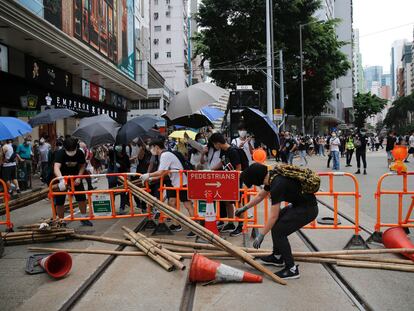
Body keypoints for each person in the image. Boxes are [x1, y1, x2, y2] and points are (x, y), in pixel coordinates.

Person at [237, 163, 318, 280]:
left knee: (279, 231)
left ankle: (291, 269)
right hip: (300, 205)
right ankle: (277, 256)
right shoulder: (273, 176)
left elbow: (273, 216)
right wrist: (244, 208)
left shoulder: (277, 184)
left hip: (307, 210)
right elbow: (260, 196)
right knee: (277, 226)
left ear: (258, 179)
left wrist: (261, 235)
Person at [140, 139, 196, 238]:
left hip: (182, 182)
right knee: (171, 202)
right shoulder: (164, 155)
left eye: (152, 148)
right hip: (174, 182)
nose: (151, 151)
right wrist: (152, 178)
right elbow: (165, 172)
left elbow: (161, 171)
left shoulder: (165, 155)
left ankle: (195, 228)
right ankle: (176, 224)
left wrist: (148, 175)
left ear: (157, 147)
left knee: (187, 205)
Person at [209, 132, 244, 237]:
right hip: (227, 181)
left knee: (238, 202)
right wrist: (211, 169)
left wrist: (234, 180)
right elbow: (222, 162)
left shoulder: (232, 151)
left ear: (217, 143)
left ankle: (241, 225)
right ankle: (230, 223)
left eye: (214, 144)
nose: (214, 147)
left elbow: (238, 168)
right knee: (227, 201)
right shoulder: (223, 151)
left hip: (235, 180)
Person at [53, 137, 93, 226]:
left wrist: (79, 177)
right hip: (62, 178)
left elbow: (82, 166)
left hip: (75, 178)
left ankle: (83, 217)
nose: (71, 151)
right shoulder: (60, 153)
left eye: (72, 149)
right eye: (69, 149)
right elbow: (56, 167)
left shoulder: (79, 153)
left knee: (82, 198)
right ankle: (61, 221)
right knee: (60, 201)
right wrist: (61, 179)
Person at [107, 145, 131, 214]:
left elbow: (128, 167)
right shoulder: (112, 154)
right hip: (112, 176)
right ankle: (112, 209)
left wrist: (128, 176)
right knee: (112, 192)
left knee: (122, 192)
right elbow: (107, 153)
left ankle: (121, 208)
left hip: (122, 176)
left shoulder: (125, 156)